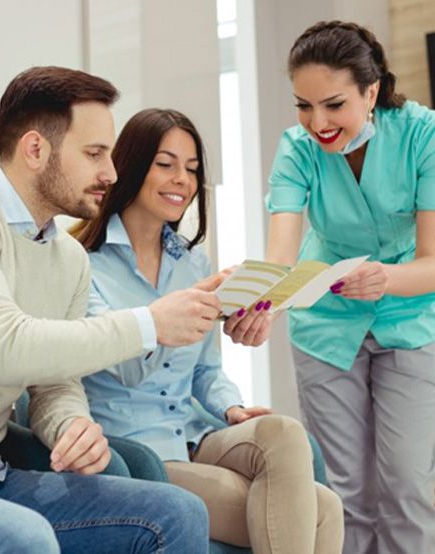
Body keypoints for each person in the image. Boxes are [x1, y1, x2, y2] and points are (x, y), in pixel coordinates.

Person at [0, 66, 222, 553]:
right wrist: (150, 323)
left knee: (177, 512)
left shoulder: (67, 258)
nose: (111, 173)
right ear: (36, 149)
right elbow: (8, 348)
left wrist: (70, 425)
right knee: (25, 538)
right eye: (94, 154)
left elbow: (55, 381)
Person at [72, 108, 344, 554]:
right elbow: (125, 370)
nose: (182, 178)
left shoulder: (192, 263)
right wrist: (176, 313)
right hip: (137, 451)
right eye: (166, 164)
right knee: (323, 510)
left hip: (196, 433)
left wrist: (231, 408)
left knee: (284, 433)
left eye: (192, 169)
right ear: (131, 165)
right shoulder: (83, 264)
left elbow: (205, 371)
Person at [229, 20, 435, 554]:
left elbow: (434, 261)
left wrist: (386, 278)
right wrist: (263, 307)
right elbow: (281, 254)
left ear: (372, 91)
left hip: (411, 316)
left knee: (410, 487)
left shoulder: (422, 135)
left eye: (334, 105)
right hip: (324, 321)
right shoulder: (296, 150)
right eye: (303, 105)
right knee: (344, 492)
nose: (317, 122)